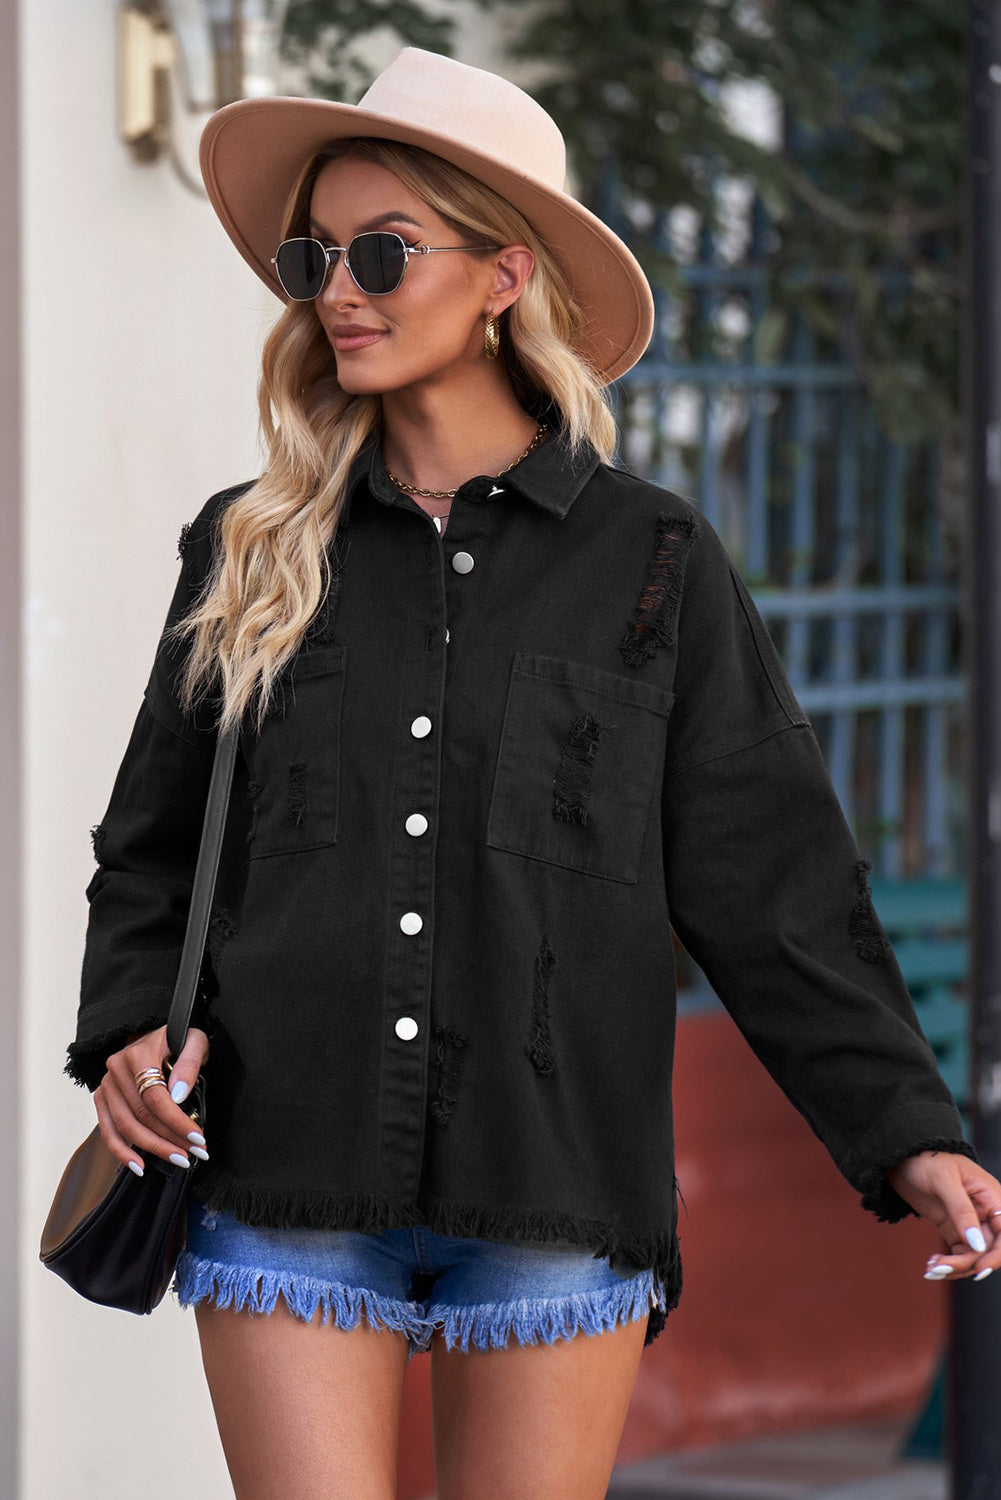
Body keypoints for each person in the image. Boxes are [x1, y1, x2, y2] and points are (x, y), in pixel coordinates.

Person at [65, 44, 1000, 1500]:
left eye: (384, 250)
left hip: (555, 1183)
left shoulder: (653, 563)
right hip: (283, 1160)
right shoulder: (249, 545)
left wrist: (907, 1134)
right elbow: (153, 845)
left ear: (503, 276)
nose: (338, 290)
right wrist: (129, 1028)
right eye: (316, 255)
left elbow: (772, 884)